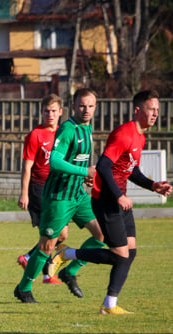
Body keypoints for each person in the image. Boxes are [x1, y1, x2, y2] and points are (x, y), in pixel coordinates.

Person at [55, 90, 173, 314]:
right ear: (138, 110)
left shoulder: (140, 135)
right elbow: (103, 166)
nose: (156, 113)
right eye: (151, 109)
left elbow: (130, 170)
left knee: (131, 251)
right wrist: (119, 195)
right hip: (108, 200)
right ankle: (67, 254)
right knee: (120, 256)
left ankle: (109, 304)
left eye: (157, 109)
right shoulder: (124, 134)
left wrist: (153, 185)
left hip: (120, 201)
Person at [13, 87, 105, 304]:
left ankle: (70, 271)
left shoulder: (87, 128)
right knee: (47, 246)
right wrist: (86, 172)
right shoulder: (67, 129)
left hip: (79, 195)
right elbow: (53, 162)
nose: (86, 110)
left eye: (90, 106)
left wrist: (84, 178)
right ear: (73, 106)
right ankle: (24, 287)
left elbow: (77, 160)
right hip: (59, 196)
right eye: (82, 105)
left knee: (102, 235)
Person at [17, 93, 69, 285]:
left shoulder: (64, 132)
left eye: (54, 111)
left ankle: (30, 258)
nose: (50, 114)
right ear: (41, 112)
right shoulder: (35, 135)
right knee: (51, 232)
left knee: (61, 233)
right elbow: (27, 166)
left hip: (60, 189)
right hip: (39, 189)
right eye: (46, 111)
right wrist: (24, 193)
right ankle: (47, 274)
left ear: (60, 112)